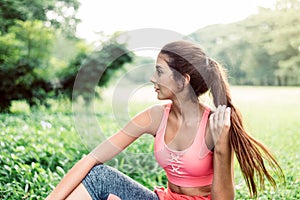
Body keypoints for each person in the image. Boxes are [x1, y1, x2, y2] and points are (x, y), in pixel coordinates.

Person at [46, 40, 284, 200]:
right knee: (100, 176)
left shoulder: (215, 124)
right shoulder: (155, 116)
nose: (152, 78)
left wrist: (222, 145)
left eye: (159, 71)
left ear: (184, 79)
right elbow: (93, 158)